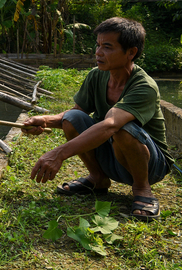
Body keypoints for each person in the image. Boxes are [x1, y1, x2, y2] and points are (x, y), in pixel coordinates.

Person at [23, 17, 173, 221]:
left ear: (131, 52)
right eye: (98, 45)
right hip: (113, 155)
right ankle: (98, 179)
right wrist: (45, 120)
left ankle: (142, 189)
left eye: (108, 47)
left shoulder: (144, 86)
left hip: (150, 164)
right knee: (73, 116)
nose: (98, 52)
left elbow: (111, 125)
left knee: (121, 127)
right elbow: (75, 115)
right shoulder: (96, 76)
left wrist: (58, 154)